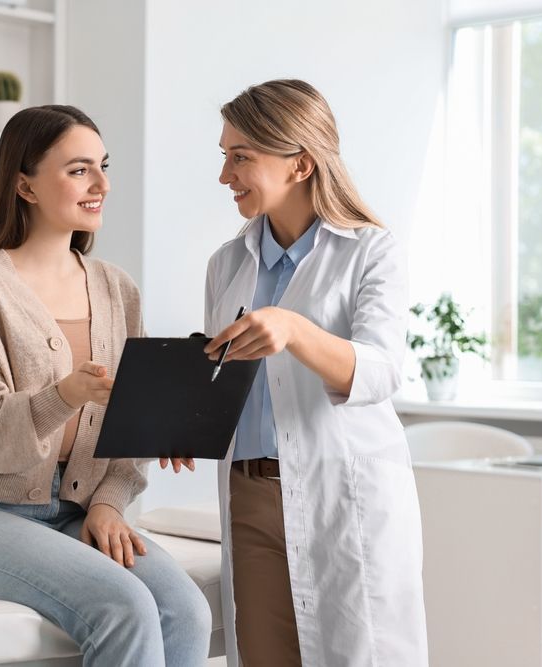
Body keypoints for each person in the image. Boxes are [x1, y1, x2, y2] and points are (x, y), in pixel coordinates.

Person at [0, 104, 212, 667]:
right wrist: (66, 395)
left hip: (74, 513)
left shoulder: (117, 287)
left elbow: (129, 427)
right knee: (122, 605)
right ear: (23, 185)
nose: (101, 184)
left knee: (186, 611)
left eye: (103, 165)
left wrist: (109, 504)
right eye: (78, 170)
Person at [163, 79, 428, 665]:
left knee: (360, 653)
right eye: (225, 156)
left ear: (301, 162)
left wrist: (295, 329)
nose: (225, 176)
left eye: (241, 158)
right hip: (249, 496)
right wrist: (183, 422)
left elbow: (381, 372)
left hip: (342, 491)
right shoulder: (227, 262)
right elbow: (227, 374)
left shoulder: (371, 251)